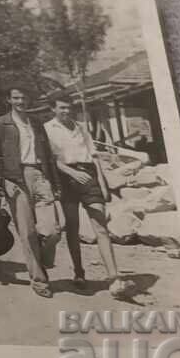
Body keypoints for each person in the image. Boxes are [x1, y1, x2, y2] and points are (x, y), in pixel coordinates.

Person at [44, 97, 133, 299]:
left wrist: (102, 183)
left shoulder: (81, 127)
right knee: (72, 227)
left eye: (69, 108)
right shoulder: (47, 129)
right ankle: (79, 272)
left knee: (100, 225)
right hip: (66, 178)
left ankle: (114, 278)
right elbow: (51, 160)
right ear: (53, 109)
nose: (66, 111)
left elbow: (94, 156)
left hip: (89, 175)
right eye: (62, 108)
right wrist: (72, 173)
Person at [0, 85, 59, 298]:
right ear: (9, 100)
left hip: (39, 175)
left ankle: (42, 261)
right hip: (15, 178)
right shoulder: (1, 123)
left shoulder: (36, 123)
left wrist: (53, 180)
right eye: (16, 98)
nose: (21, 102)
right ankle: (39, 280)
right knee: (27, 232)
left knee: (53, 230)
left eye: (24, 98)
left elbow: (47, 154)